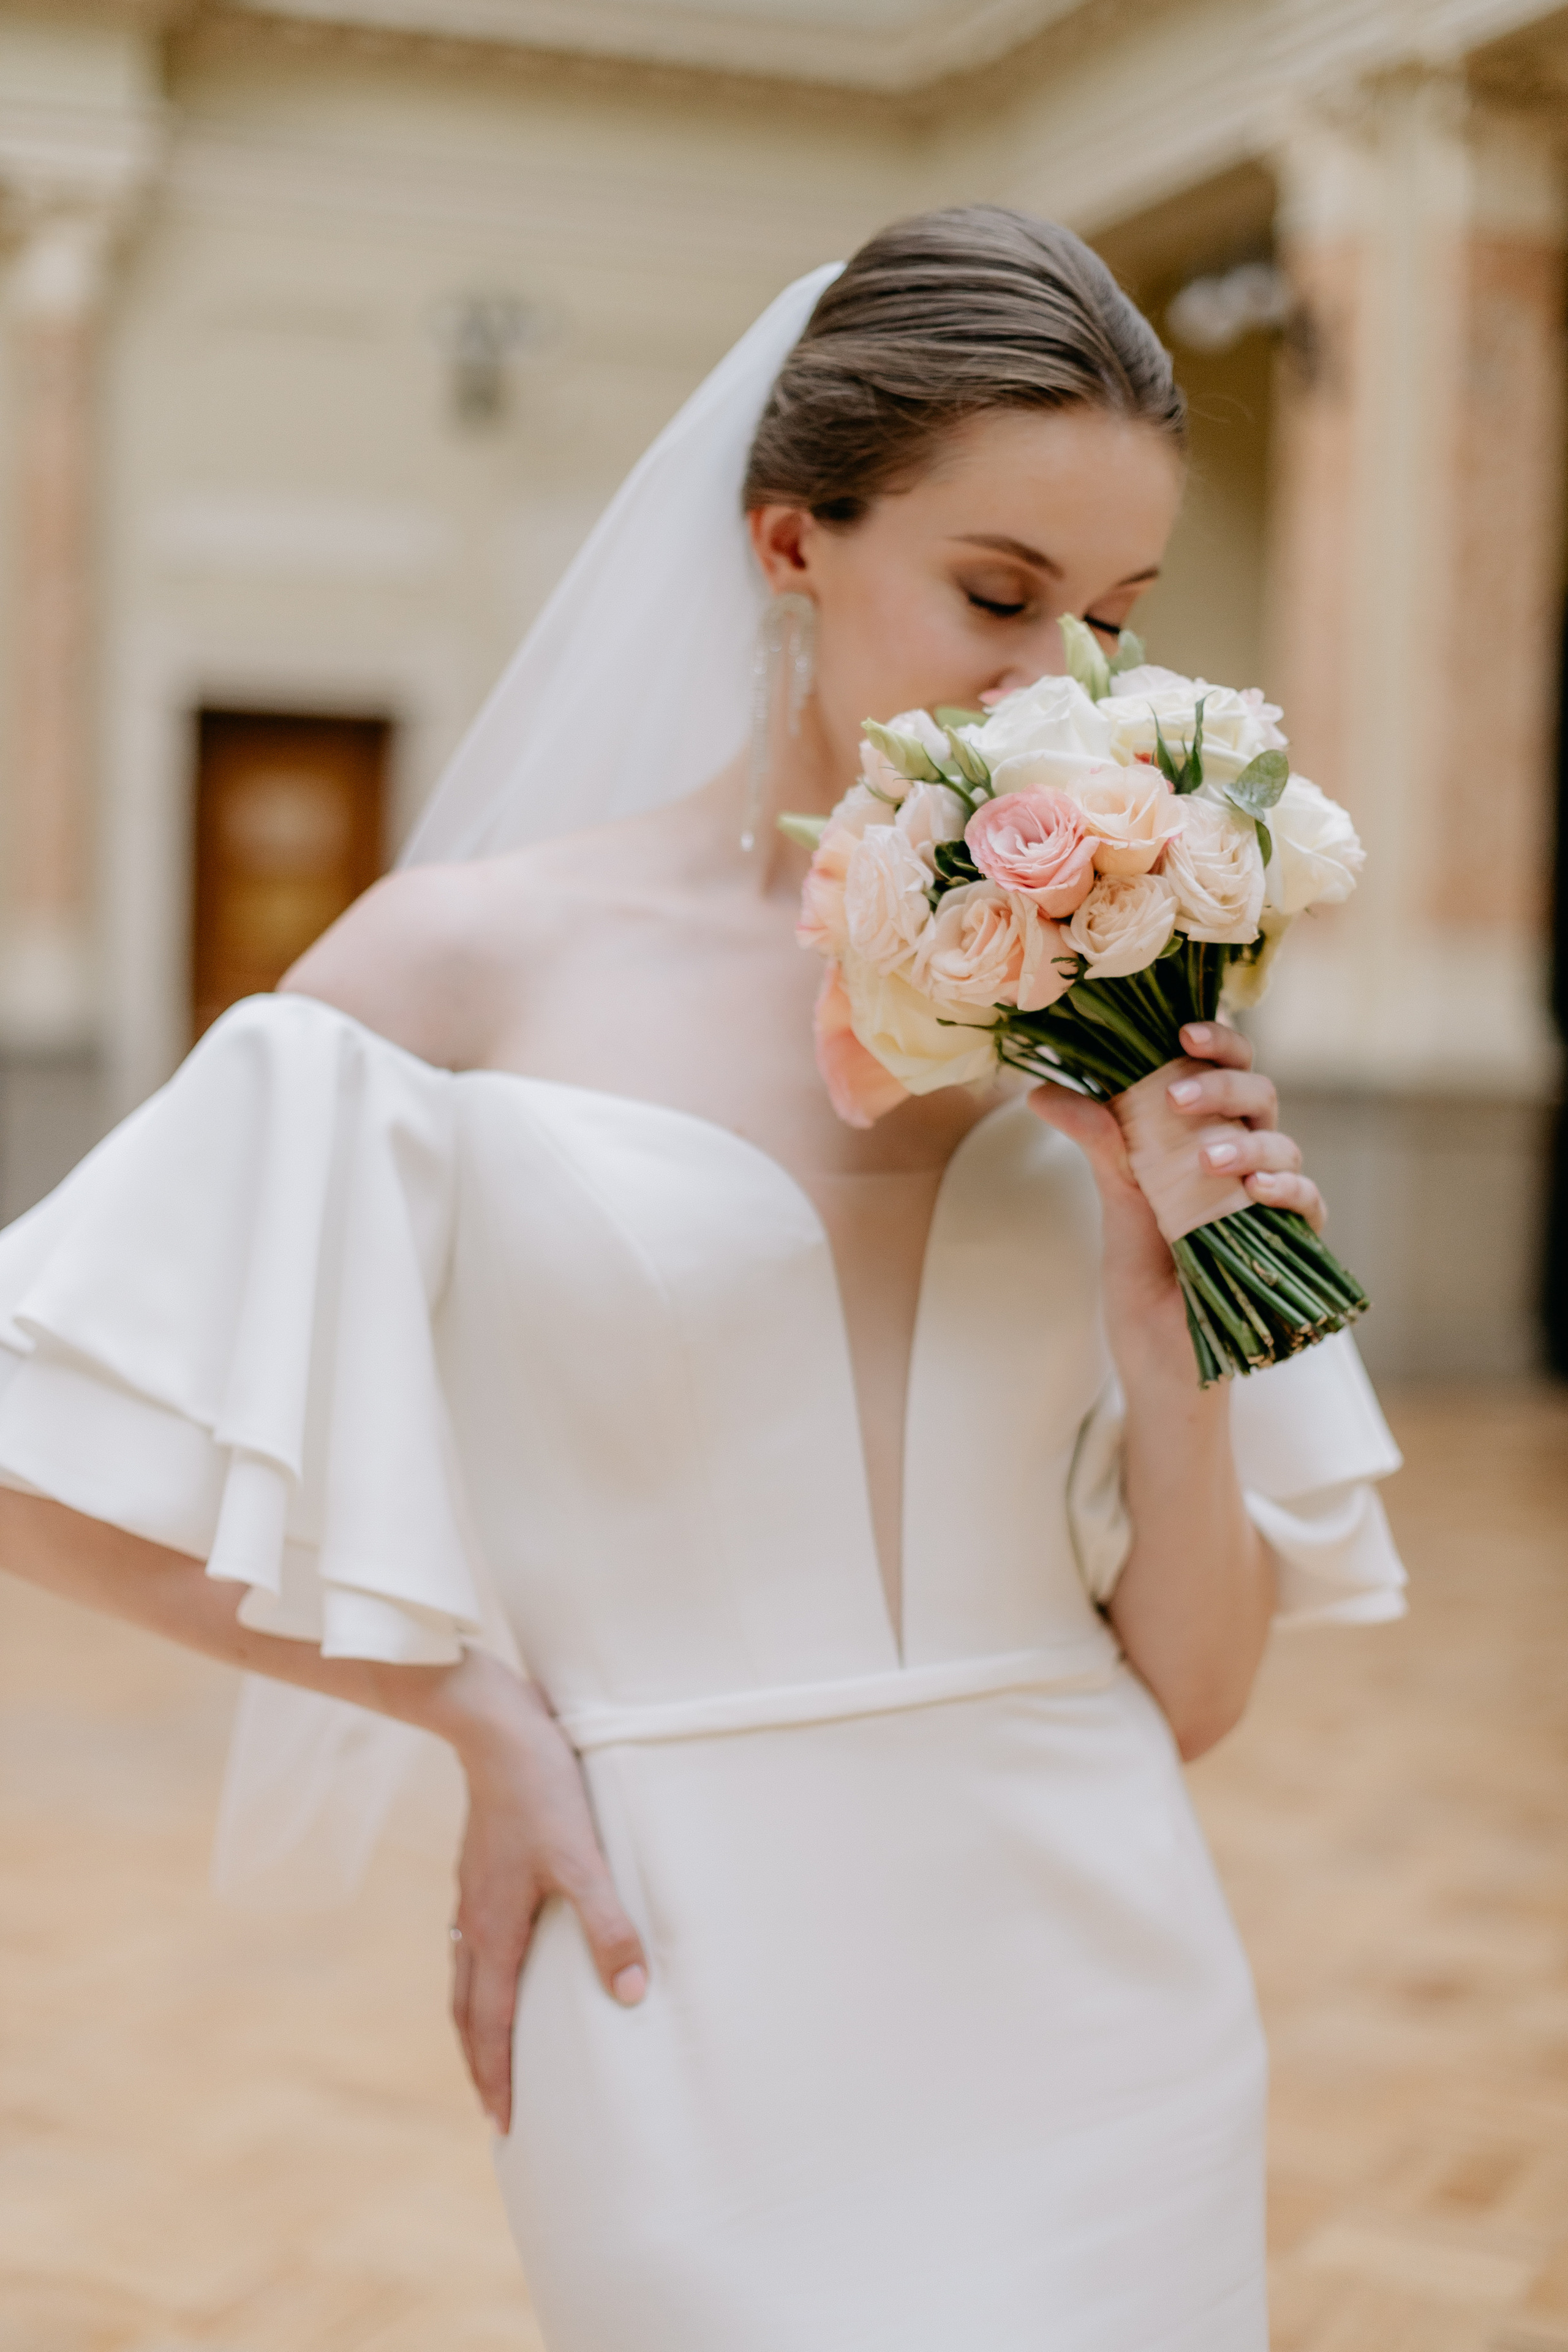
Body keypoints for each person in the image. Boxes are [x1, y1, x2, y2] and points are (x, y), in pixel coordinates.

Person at [0, 209, 1404, 2349]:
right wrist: (467, 1707)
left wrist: (1167, 1313)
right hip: (681, 1966)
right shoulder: (468, 963)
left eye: (1114, 620)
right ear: (788, 544)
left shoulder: (1133, 997)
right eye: (996, 598)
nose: (1063, 691)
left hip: (1101, 1984)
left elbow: (1193, 1697)